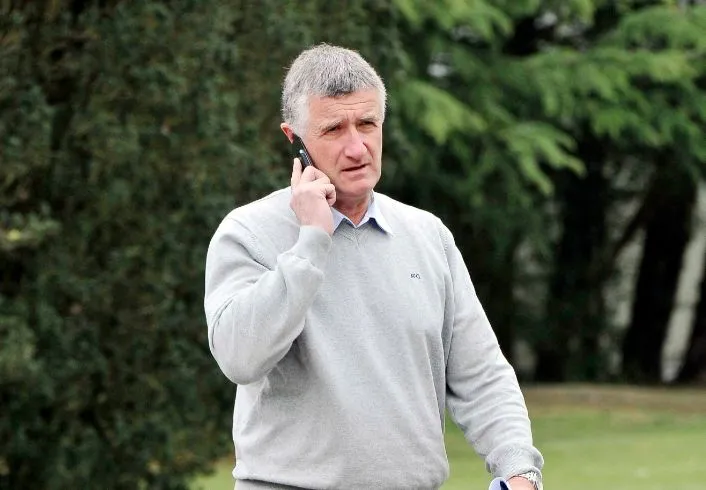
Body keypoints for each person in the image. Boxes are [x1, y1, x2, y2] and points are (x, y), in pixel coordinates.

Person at [204, 43, 544, 490]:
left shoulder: (428, 235)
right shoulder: (247, 233)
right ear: (294, 139)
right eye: (333, 129)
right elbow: (239, 359)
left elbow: (480, 373)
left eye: (367, 124)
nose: (356, 147)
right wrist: (312, 240)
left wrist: (520, 471)